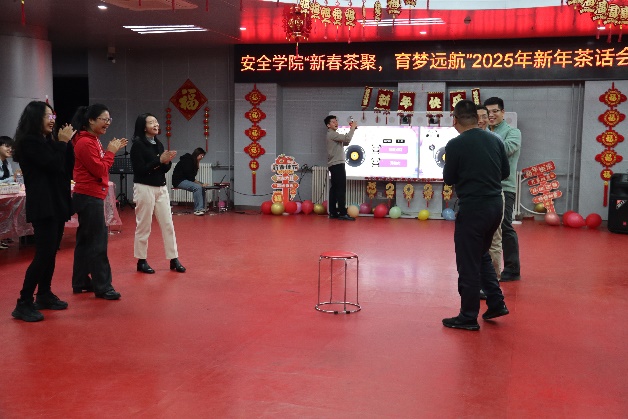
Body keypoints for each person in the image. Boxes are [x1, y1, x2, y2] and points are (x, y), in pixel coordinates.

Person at [442, 100, 510, 331]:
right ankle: (496, 302)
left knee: (468, 262)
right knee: (481, 255)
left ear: (455, 120)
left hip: (473, 208)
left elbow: (449, 178)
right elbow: (504, 172)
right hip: (495, 206)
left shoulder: (455, 144)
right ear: (477, 117)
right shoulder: (495, 140)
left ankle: (468, 316)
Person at [10, 101, 75, 322]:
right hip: (43, 203)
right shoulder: (29, 142)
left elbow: (65, 167)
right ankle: (23, 302)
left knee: (51, 251)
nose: (52, 120)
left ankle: (44, 294)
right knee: (44, 254)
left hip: (56, 202)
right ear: (35, 118)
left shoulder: (48, 141)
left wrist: (66, 143)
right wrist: (62, 143)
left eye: (53, 116)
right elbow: (52, 164)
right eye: (48, 116)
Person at [71, 104, 127, 300]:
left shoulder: (92, 140)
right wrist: (111, 152)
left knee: (86, 241)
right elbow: (99, 170)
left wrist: (109, 150)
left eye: (109, 119)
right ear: (91, 120)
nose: (108, 123)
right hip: (89, 196)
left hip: (89, 195)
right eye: (104, 119)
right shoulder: (85, 142)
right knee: (97, 242)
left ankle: (80, 281)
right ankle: (103, 286)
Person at [130, 113, 186, 274]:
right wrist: (159, 161)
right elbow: (140, 170)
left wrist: (167, 162)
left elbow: (163, 169)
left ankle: (173, 258)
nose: (156, 125)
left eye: (156, 122)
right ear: (143, 127)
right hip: (144, 188)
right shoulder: (138, 145)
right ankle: (141, 260)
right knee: (144, 225)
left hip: (161, 188)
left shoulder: (159, 144)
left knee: (168, 224)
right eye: (151, 122)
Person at [485, 97, 522, 282]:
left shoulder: (513, 132)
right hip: (487, 188)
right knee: (488, 228)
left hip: (506, 187)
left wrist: (483, 140)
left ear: (503, 112)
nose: (491, 115)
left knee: (505, 226)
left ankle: (512, 268)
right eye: (488, 112)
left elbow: (506, 149)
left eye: (495, 111)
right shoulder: (485, 132)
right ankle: (489, 267)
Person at [325, 115, 357, 220]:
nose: (336, 123)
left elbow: (346, 142)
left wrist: (352, 129)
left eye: (336, 121)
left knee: (335, 189)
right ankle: (342, 213)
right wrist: (352, 128)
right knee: (341, 188)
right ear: (328, 125)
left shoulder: (333, 134)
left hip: (334, 164)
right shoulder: (332, 134)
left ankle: (333, 212)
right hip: (337, 164)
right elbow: (347, 138)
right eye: (333, 122)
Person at [171, 147, 208, 215]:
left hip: (185, 180)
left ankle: (202, 207)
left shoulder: (193, 161)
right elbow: (190, 177)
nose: (202, 157)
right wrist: (200, 184)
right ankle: (198, 209)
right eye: (201, 155)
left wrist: (198, 162)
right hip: (179, 181)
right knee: (198, 187)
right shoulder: (188, 160)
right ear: (197, 154)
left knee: (202, 187)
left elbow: (193, 175)